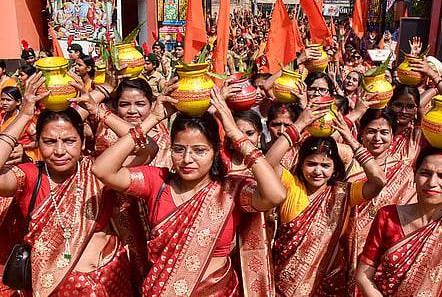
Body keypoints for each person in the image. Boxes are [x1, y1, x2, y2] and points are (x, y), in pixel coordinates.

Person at [91, 88, 286, 295]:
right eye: (179, 149)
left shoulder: (230, 190)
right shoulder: (157, 181)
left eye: (199, 150)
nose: (187, 160)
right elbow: (102, 170)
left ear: (215, 151)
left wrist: (236, 134)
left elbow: (276, 195)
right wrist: (152, 120)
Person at [0, 73, 156, 296]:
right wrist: (24, 116)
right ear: (38, 143)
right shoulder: (30, 177)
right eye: (50, 141)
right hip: (57, 288)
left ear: (83, 142)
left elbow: (148, 149)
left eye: (69, 140)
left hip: (111, 279)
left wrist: (100, 112)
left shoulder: (98, 170)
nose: (60, 150)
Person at [356, 109, 442, 296]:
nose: (432, 183)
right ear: (414, 176)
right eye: (425, 173)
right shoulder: (388, 217)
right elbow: (364, 276)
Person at [267, 105, 386, 296]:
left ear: (334, 168)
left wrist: (351, 141)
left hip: (329, 281)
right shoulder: (291, 185)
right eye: (311, 164)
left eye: (325, 165)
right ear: (301, 163)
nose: (317, 171)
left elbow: (379, 181)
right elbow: (268, 163)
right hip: (287, 282)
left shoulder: (343, 194)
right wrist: (299, 125)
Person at [344, 107, 416, 296]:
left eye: (384, 132)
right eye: (371, 131)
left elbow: (411, 214)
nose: (377, 138)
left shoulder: (405, 172)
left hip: (387, 248)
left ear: (393, 135)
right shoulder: (348, 164)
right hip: (347, 247)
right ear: (361, 134)